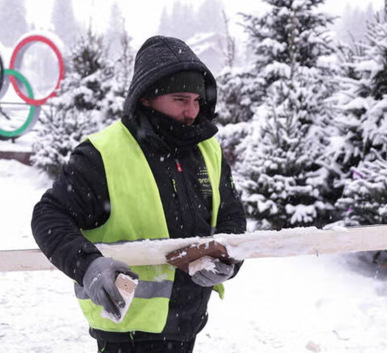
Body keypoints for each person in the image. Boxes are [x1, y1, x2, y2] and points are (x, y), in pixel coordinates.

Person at [31, 35, 246, 353]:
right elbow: (49, 215)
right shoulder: (102, 154)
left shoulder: (207, 149)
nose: (191, 111)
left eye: (197, 101)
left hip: (189, 321)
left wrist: (230, 256)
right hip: (126, 334)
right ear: (146, 97)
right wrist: (88, 266)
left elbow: (230, 213)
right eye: (180, 99)